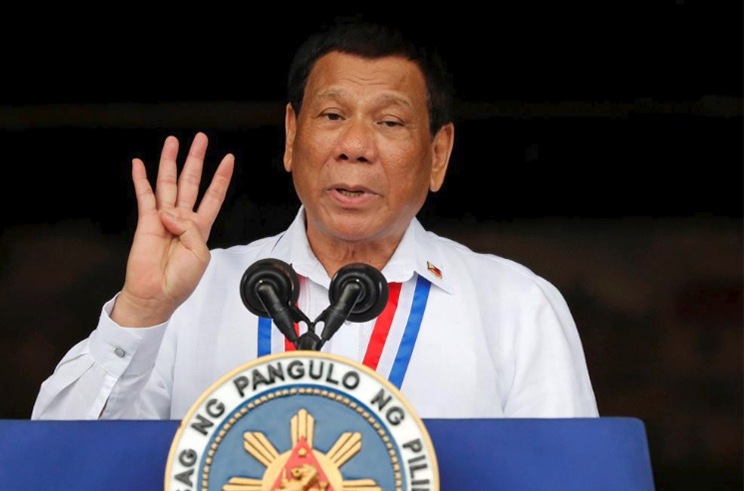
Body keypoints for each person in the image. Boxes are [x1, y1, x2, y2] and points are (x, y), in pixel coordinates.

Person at [32, 19, 598, 420]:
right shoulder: (197, 291)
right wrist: (141, 313)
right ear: (291, 136)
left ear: (439, 155)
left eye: (391, 123)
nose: (355, 146)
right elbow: (53, 468)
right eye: (331, 115)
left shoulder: (517, 307)